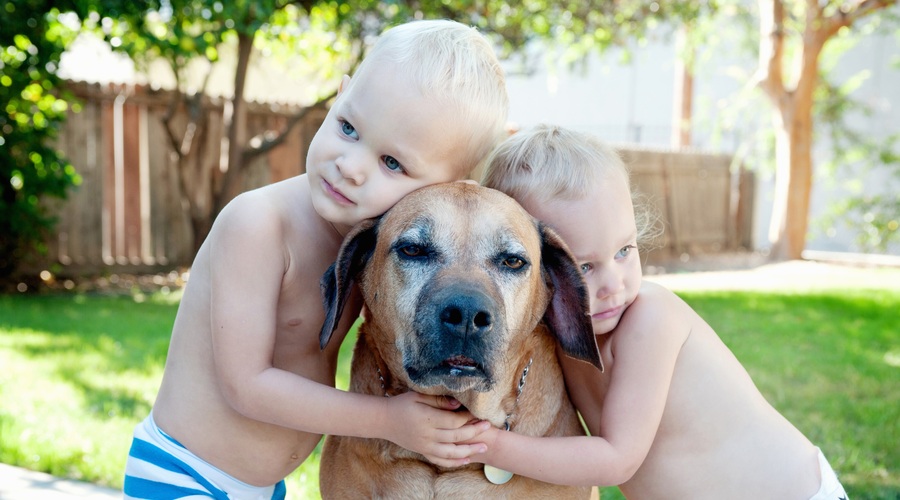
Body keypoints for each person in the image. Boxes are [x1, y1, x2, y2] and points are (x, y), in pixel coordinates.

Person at [122, 19, 508, 499]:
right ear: (339, 96)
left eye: (392, 163)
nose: (350, 165)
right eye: (348, 127)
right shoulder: (258, 225)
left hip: (263, 487)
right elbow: (246, 385)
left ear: (444, 186)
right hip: (185, 474)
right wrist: (389, 421)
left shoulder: (375, 254)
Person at [475, 124, 848, 499]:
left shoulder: (651, 320)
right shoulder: (554, 338)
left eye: (624, 251)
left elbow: (616, 459)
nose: (614, 283)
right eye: (584, 267)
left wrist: (490, 446)